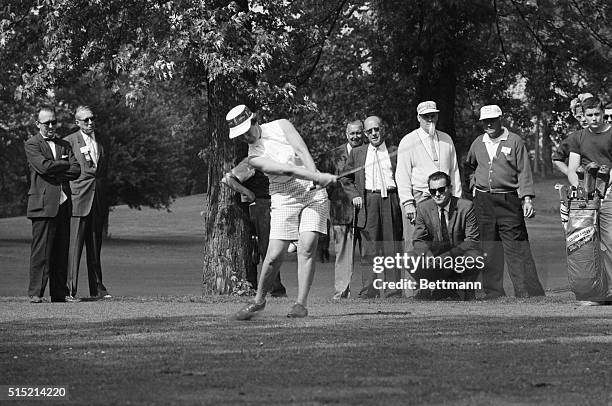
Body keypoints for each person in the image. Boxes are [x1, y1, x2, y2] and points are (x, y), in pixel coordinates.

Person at [228, 105, 336, 320]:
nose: (246, 137)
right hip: (283, 194)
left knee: (306, 246)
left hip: (312, 192)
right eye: (241, 136)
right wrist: (316, 177)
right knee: (274, 255)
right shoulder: (253, 157)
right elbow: (286, 170)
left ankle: (300, 304)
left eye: (247, 131)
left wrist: (315, 176)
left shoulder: (282, 125)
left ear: (254, 121)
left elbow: (302, 150)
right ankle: (258, 301)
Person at [465, 104, 545, 299]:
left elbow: (524, 171)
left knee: (516, 247)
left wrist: (526, 199)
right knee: (489, 248)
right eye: (485, 121)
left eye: (493, 120)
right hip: (483, 201)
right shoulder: (478, 143)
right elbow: (469, 166)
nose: (489, 124)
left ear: (501, 119)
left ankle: (526, 292)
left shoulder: (514, 140)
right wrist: (473, 181)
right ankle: (493, 292)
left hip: (509, 199)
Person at [24, 106, 81, 303]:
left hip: (64, 204)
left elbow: (77, 170)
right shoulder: (32, 144)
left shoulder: (64, 144)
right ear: (37, 124)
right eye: (46, 122)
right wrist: (63, 165)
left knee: (61, 251)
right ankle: (35, 293)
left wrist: (56, 168)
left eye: (53, 122)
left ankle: (59, 293)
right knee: (41, 252)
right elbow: (42, 166)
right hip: (42, 205)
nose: (50, 126)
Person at [343, 116, 403, 298]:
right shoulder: (358, 153)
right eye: (369, 131)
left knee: (391, 246)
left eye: (376, 129)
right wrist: (355, 196)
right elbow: (345, 178)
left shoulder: (395, 151)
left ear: (383, 129)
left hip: (391, 199)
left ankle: (393, 291)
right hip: (368, 201)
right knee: (369, 248)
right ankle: (369, 290)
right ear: (365, 134)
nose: (374, 134)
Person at [396, 101, 462, 252]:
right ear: (418, 118)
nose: (430, 119)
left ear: (437, 116)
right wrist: (407, 203)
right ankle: (412, 276)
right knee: (415, 245)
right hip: (419, 199)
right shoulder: (408, 141)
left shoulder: (447, 139)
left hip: (444, 199)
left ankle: (440, 275)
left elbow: (454, 171)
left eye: (433, 115)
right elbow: (402, 175)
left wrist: (457, 200)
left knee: (444, 244)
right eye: (426, 116)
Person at [567, 96, 612, 305]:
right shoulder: (578, 137)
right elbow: (572, 168)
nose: (594, 118)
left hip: (610, 194)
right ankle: (594, 293)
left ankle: (610, 291)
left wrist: (607, 190)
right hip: (586, 199)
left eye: (597, 114)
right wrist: (582, 191)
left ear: (603, 113)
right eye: (589, 115)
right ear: (583, 116)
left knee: (609, 242)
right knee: (586, 244)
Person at [221, 157, 287, 297]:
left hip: (274, 205)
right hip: (261, 206)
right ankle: (275, 289)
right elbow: (228, 179)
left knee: (270, 247)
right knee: (267, 247)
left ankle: (268, 287)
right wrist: (247, 192)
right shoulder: (254, 161)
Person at [412, 171, 482, 300]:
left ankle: (465, 290)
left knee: (474, 256)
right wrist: (427, 255)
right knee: (409, 258)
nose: (437, 194)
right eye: (433, 191)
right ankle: (430, 288)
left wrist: (449, 256)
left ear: (450, 188)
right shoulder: (423, 207)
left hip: (459, 254)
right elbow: (418, 239)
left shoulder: (466, 206)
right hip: (435, 254)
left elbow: (471, 240)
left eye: (441, 189)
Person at [65, 106, 111, 300]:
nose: (90, 123)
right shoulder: (68, 142)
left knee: (95, 247)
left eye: (92, 118)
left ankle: (98, 289)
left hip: (97, 200)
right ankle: (69, 290)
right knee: (74, 248)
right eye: (86, 120)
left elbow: (102, 172)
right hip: (77, 200)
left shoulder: (101, 141)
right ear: (77, 122)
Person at [326, 120, 364, 299]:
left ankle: (369, 291)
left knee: (368, 253)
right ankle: (341, 292)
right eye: (352, 133)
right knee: (342, 253)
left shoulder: (369, 151)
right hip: (340, 211)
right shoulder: (334, 155)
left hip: (364, 210)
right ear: (346, 133)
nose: (356, 136)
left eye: (358, 133)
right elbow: (326, 180)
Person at [552, 93, 593, 176]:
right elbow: (557, 159)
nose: (583, 119)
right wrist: (571, 174)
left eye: (586, 115)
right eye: (579, 117)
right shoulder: (575, 138)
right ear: (574, 116)